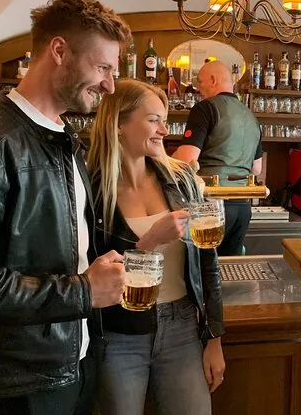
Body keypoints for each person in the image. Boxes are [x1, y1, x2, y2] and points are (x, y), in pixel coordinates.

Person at [0, 0, 132, 415]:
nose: (110, 85)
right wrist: (83, 291)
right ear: (59, 50)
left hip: (72, 367)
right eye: (103, 67)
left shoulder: (63, 140)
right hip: (14, 386)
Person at [87, 80, 225, 415]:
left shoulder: (182, 178)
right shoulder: (91, 189)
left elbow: (208, 262)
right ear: (118, 124)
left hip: (182, 327)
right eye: (153, 120)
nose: (164, 129)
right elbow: (91, 272)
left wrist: (214, 339)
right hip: (118, 335)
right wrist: (149, 241)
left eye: (164, 120)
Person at [172, 60, 262, 256]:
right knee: (230, 268)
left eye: (200, 82)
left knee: (202, 268)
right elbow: (256, 169)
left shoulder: (205, 108)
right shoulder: (251, 116)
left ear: (213, 80)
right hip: (242, 208)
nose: (198, 89)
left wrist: (165, 160)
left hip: (210, 204)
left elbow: (187, 160)